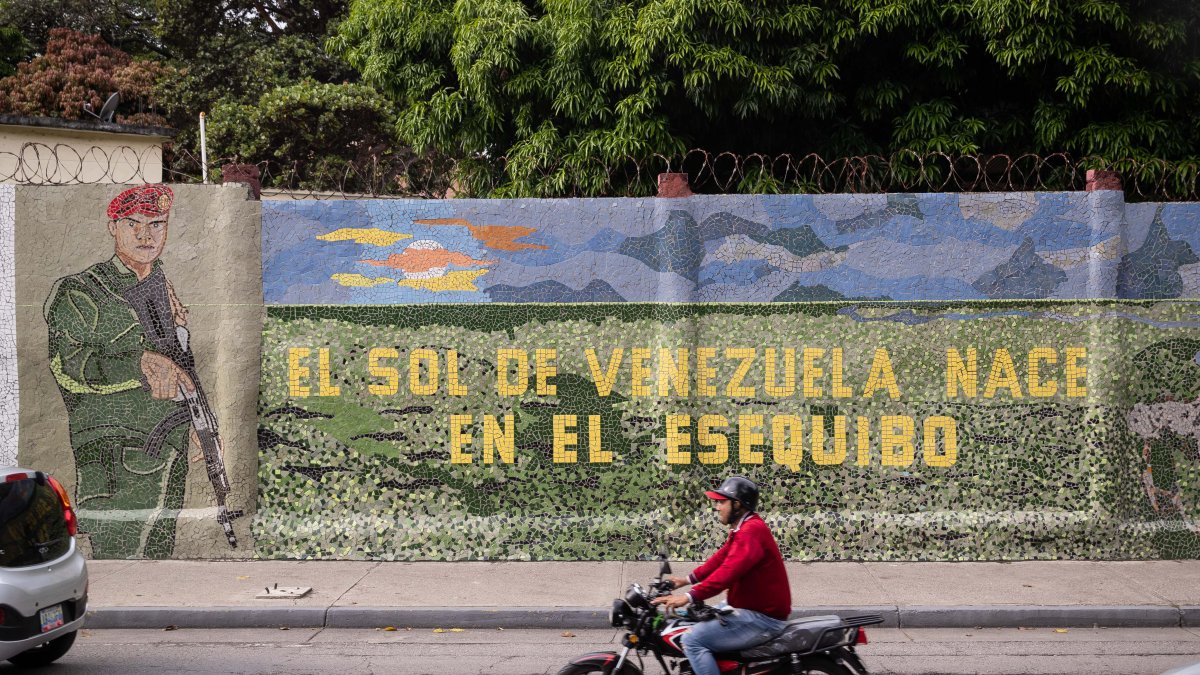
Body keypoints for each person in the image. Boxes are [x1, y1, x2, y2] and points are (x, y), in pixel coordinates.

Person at [43, 184, 202, 558]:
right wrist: (139, 364)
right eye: (134, 224)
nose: (146, 235)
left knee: (157, 562)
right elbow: (69, 366)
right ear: (113, 226)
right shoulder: (83, 291)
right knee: (122, 557)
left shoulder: (164, 289)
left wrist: (197, 420)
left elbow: (181, 369)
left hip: (169, 451)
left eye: (157, 224)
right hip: (115, 456)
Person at [651, 476, 792, 675]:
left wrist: (689, 596)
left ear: (738, 504)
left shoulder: (751, 532)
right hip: (748, 609)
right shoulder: (744, 528)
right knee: (692, 619)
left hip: (762, 618)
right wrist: (686, 580)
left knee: (692, 640)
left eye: (721, 502)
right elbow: (721, 558)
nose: (717, 507)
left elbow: (728, 572)